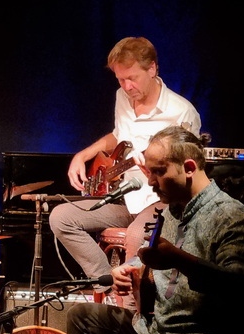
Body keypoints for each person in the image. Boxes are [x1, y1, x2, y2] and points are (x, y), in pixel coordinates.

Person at [66, 126, 244, 334]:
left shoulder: (230, 217)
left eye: (158, 172)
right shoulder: (173, 210)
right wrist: (130, 267)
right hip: (163, 333)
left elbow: (241, 288)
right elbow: (152, 256)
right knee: (82, 318)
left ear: (189, 168)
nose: (149, 181)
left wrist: (179, 259)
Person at [49, 37, 202, 293]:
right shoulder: (122, 97)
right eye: (120, 79)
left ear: (152, 69)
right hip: (126, 198)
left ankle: (133, 310)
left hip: (161, 202)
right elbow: (119, 136)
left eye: (132, 78)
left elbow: (189, 173)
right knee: (61, 217)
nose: (127, 86)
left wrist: (157, 167)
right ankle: (110, 286)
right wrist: (83, 155)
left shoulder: (182, 112)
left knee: (136, 235)